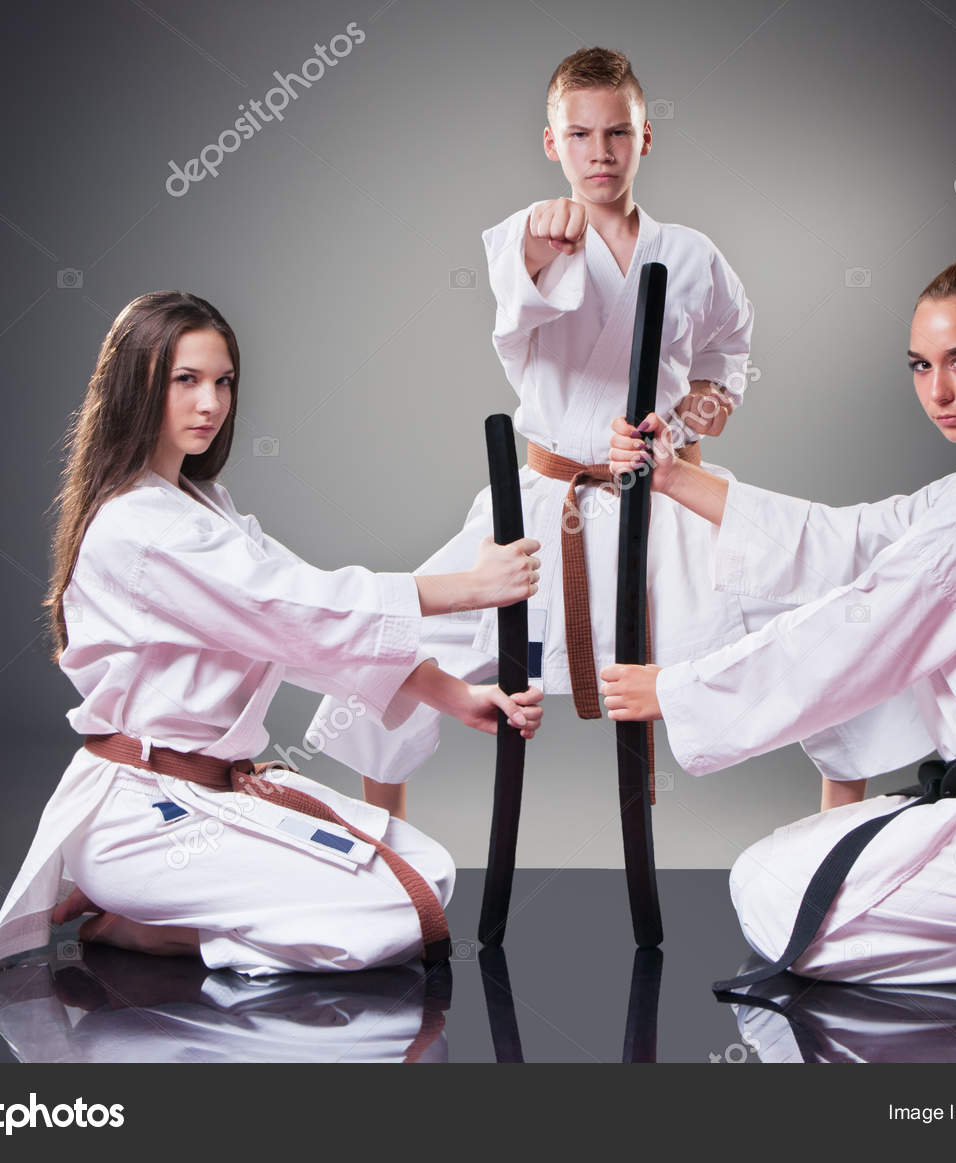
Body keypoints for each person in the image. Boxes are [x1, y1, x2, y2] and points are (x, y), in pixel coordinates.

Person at [302, 46, 902, 812]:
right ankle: (386, 859)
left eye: (616, 133)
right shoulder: (531, 233)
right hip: (546, 506)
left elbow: (730, 359)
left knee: (826, 614)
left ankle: (835, 846)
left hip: (667, 502)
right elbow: (513, 302)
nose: (600, 153)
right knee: (395, 644)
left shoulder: (692, 255)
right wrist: (540, 243)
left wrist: (680, 426)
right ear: (551, 143)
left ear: (644, 137)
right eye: (579, 135)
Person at [601, 254, 956, 984]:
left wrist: (676, 690)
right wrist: (675, 476)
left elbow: (859, 625)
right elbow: (852, 539)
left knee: (765, 884)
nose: (939, 391)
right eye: (921, 366)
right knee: (792, 864)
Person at [0, 291, 544, 979]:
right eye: (185, 380)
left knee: (426, 872)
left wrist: (452, 693)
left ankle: (172, 918)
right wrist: (467, 585)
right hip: (147, 815)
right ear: (138, 385)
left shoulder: (203, 504)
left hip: (215, 796)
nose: (211, 404)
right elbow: (292, 605)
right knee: (400, 913)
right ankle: (161, 932)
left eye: (222, 382)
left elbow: (299, 627)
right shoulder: (134, 527)